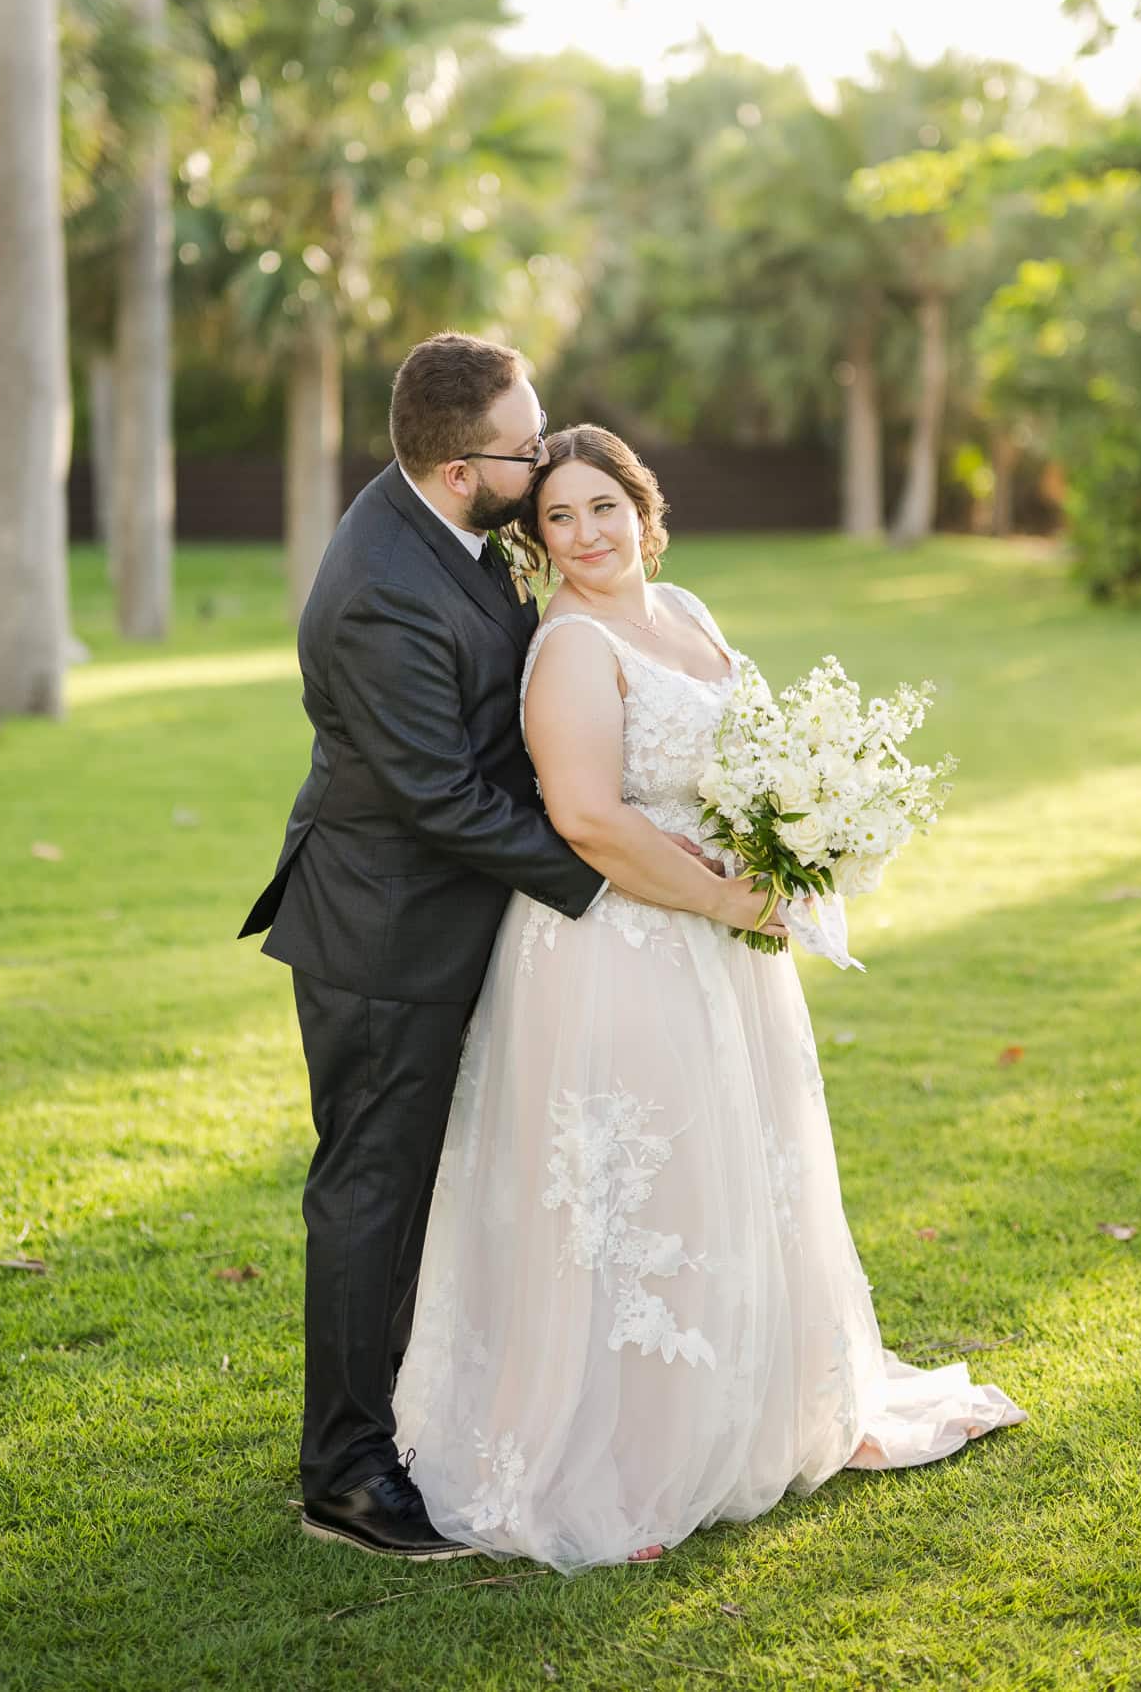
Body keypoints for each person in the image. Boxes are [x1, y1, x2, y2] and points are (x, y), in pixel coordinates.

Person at [391, 423, 1026, 1571]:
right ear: (536, 545)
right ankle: (618, 1460)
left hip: (719, 942)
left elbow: (747, 760)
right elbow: (587, 820)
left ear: (643, 506)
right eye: (558, 520)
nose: (586, 536)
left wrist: (798, 841)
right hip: (620, 949)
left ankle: (748, 1411)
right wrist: (733, 904)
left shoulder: (686, 617)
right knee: (640, 1191)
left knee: (727, 1173)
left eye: (602, 508)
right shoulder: (571, 649)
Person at [239, 340, 781, 1561]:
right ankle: (345, 1473)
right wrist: (626, 877)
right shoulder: (381, 584)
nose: (541, 463)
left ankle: (409, 1410)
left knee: (435, 1185)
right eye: (523, 450)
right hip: (384, 931)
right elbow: (440, 796)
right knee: (371, 1190)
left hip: (461, 914)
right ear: (452, 464)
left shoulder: (456, 535)